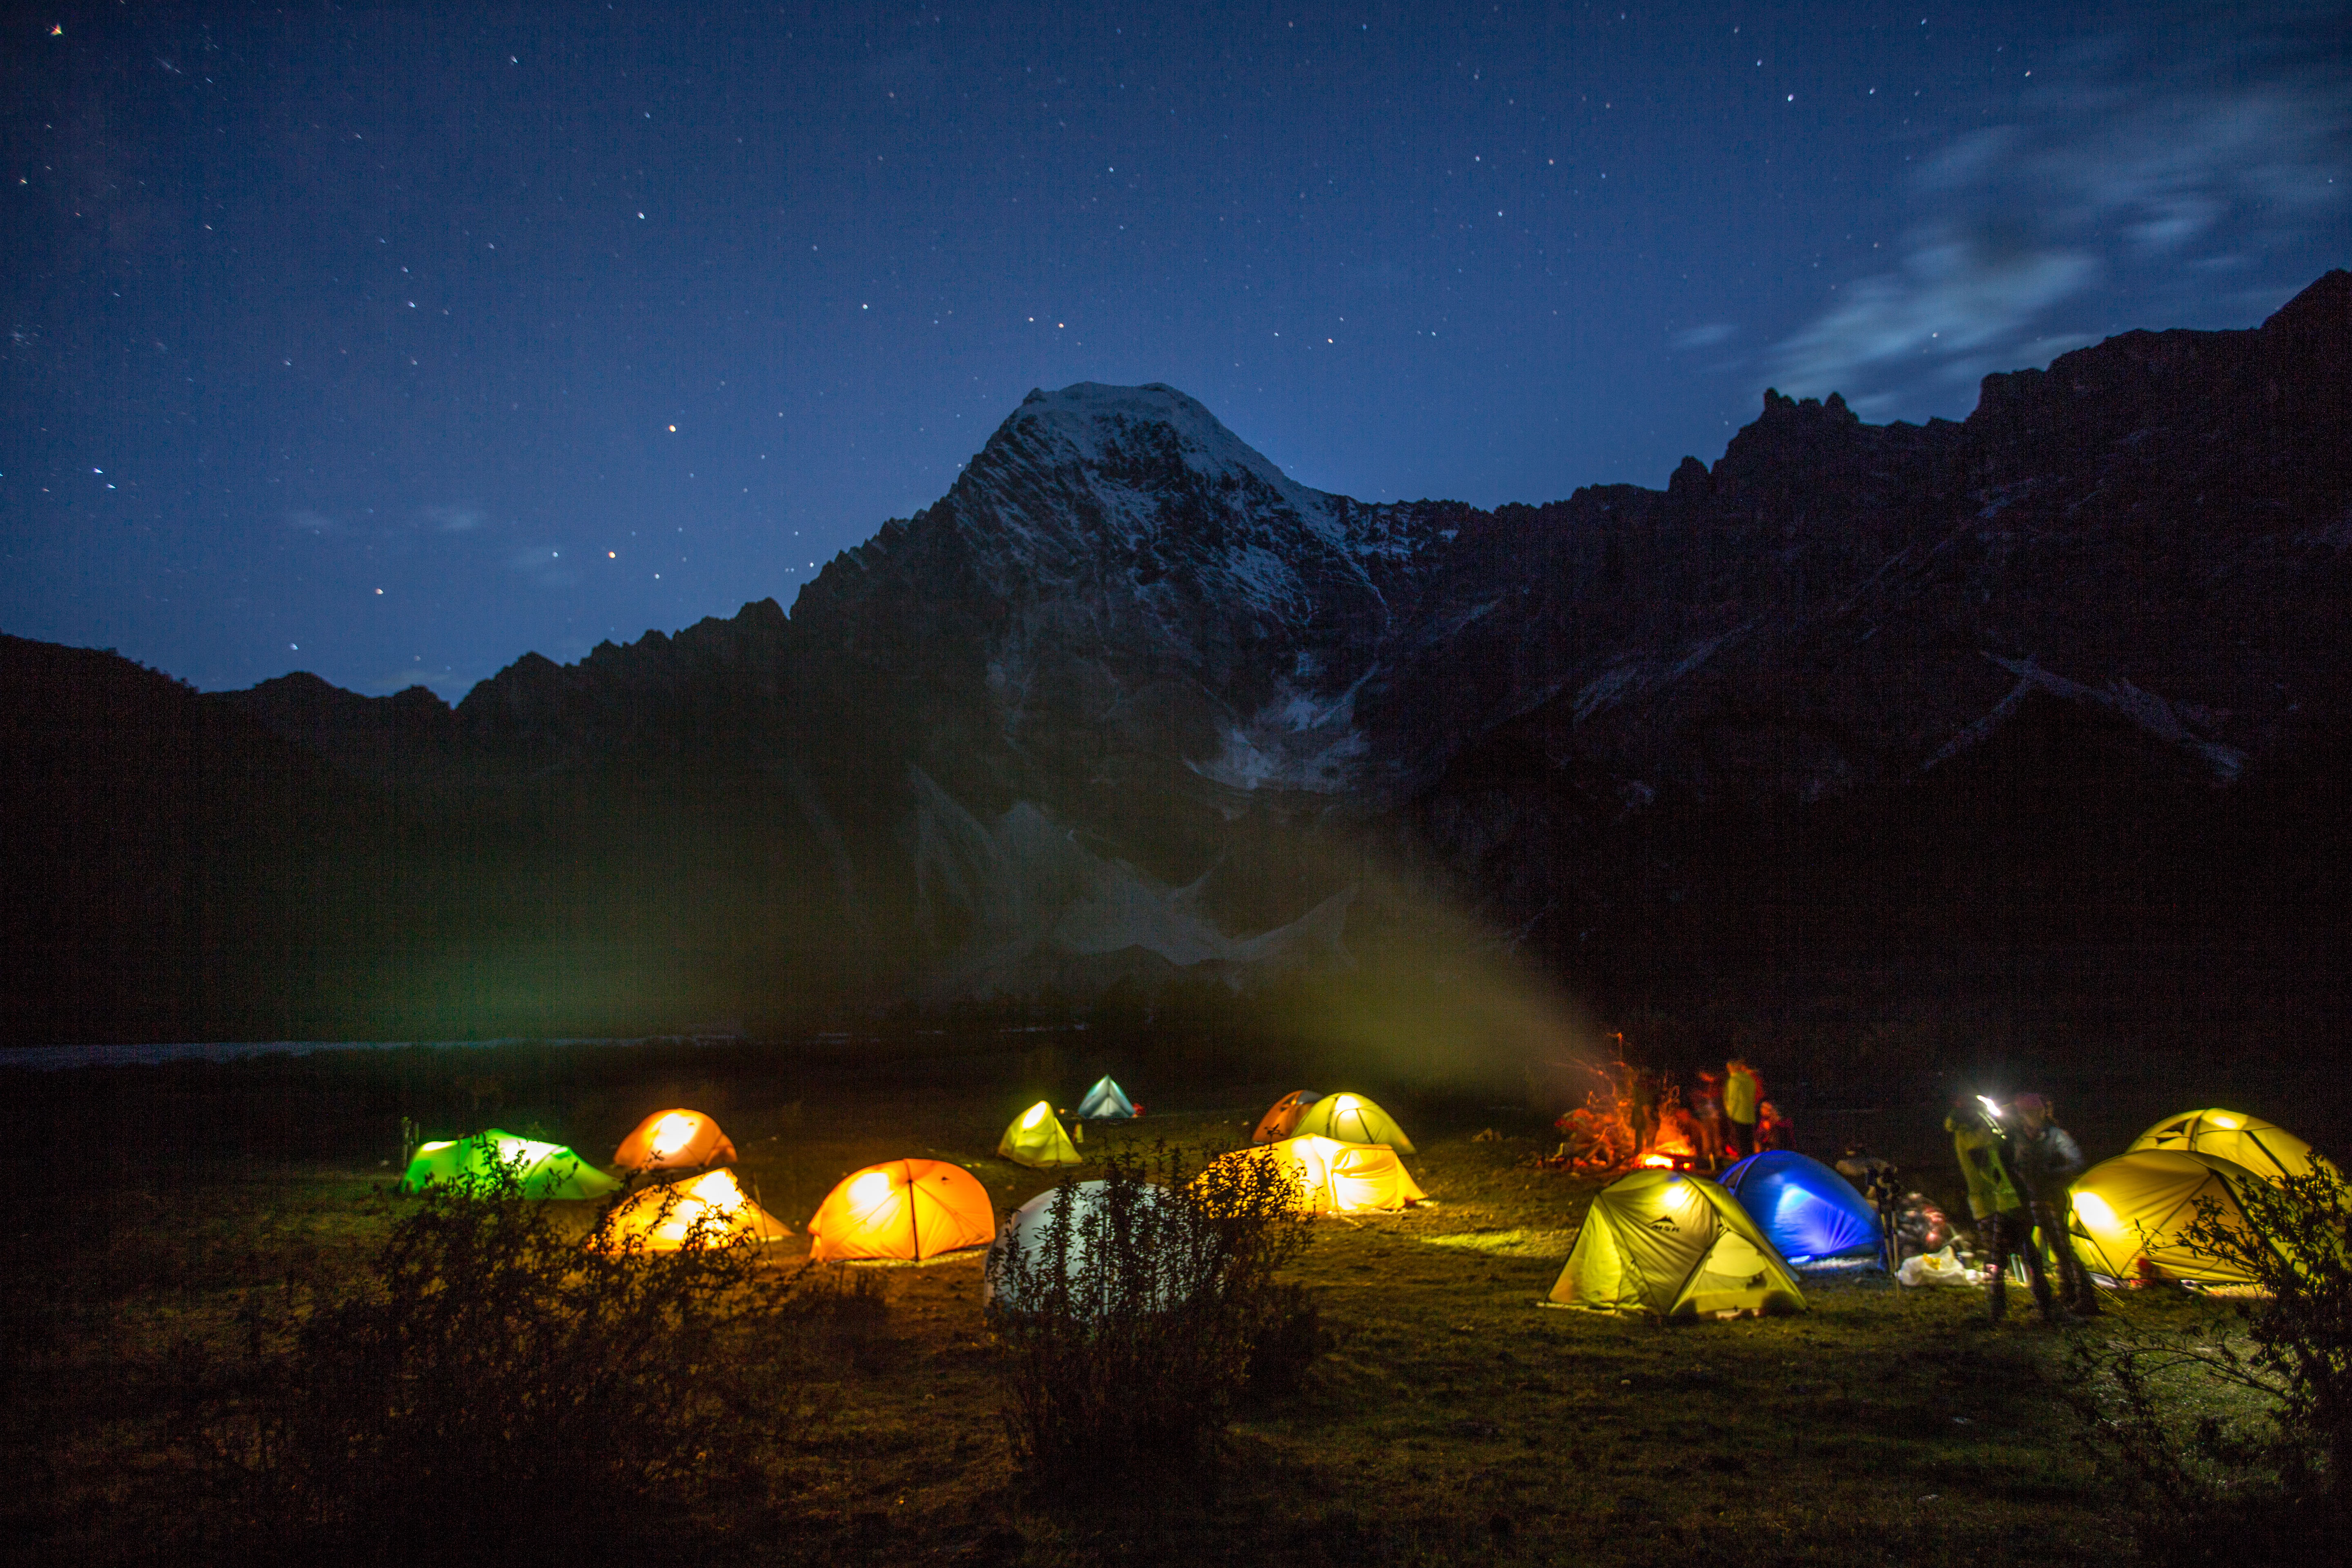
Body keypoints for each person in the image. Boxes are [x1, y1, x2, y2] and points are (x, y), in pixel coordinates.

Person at [1946, 1094, 2054, 1323]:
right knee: (2021, 1255)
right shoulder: (1974, 1137)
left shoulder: (1966, 1133)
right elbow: (1991, 1168)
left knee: (2007, 1256)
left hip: (1990, 1204)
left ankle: (2002, 1310)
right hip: (1998, 1203)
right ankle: (2033, 1307)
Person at [2009, 1093, 2100, 1317]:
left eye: (2032, 1112)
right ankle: (2056, 1296)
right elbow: (2014, 1164)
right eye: (2024, 1112)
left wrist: (2049, 1174)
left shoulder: (2056, 1135)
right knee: (2038, 1248)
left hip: (2052, 1197)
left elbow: (2078, 1162)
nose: (2027, 1116)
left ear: (2041, 1112)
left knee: (2061, 1248)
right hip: (2029, 1199)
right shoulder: (2016, 1137)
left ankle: (2085, 1299)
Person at [1724, 1060, 1762, 1159]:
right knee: (1749, 1144)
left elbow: (1732, 1100)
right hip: (1749, 1116)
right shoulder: (1750, 1080)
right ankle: (1751, 1164)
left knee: (1741, 1145)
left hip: (1737, 1116)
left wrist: (1730, 1114)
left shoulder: (1734, 1081)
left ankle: (1743, 1167)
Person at [1691, 1069, 1728, 1169]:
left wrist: (1719, 1110)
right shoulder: (1701, 1086)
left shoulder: (1717, 1085)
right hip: (1705, 1115)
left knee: (1716, 1136)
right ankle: (1707, 1158)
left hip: (1714, 1115)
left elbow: (1719, 1098)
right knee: (1706, 1136)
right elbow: (1696, 1099)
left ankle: (1718, 1158)